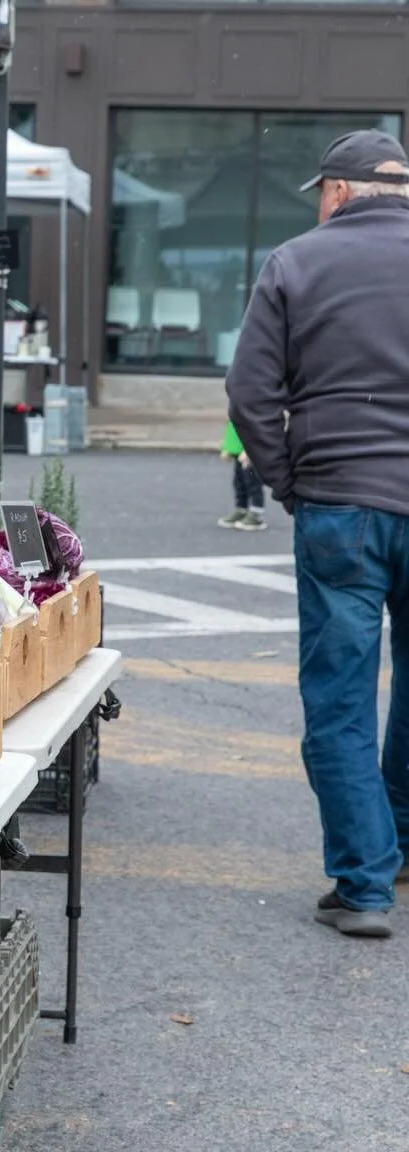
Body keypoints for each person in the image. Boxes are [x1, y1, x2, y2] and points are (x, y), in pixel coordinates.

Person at [227, 128, 409, 939]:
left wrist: (289, 481)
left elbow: (249, 392)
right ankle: (395, 849)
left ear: (337, 191)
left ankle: (365, 881)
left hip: (341, 503)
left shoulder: (297, 262)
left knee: (339, 697)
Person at [216, 421, 266, 531]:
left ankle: (256, 513)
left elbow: (258, 429)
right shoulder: (238, 407)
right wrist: (227, 448)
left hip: (251, 454)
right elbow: (232, 429)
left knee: (253, 482)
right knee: (239, 482)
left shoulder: (251, 407)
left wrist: (249, 450)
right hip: (239, 452)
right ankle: (241, 509)